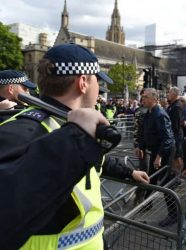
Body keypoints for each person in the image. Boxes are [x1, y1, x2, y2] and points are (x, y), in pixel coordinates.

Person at [0, 43, 149, 250]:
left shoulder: (76, 128)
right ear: (83, 83)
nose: (100, 89)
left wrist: (129, 172)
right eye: (97, 80)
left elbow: (96, 164)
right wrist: (74, 140)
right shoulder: (22, 129)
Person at [137, 88, 177, 226]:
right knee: (151, 178)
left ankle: (173, 214)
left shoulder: (160, 114)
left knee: (166, 183)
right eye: (142, 97)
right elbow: (143, 132)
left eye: (146, 97)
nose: (143, 99)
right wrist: (140, 147)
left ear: (155, 99)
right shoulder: (148, 113)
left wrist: (159, 156)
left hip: (165, 152)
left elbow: (168, 138)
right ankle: (147, 203)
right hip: (155, 150)